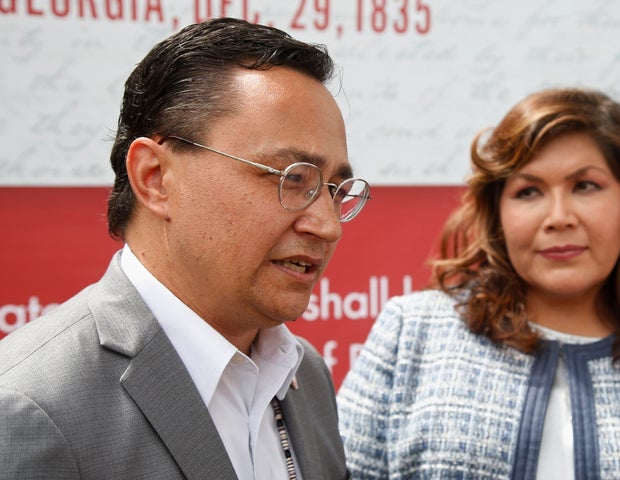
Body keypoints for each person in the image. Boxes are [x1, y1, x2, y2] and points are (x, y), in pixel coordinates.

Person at [0, 17, 370, 479]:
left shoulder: (306, 376)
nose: (327, 225)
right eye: (293, 178)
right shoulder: (32, 407)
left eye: (335, 189)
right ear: (155, 178)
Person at [337, 87, 620, 479]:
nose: (558, 217)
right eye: (529, 191)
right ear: (498, 214)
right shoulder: (413, 333)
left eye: (585, 186)